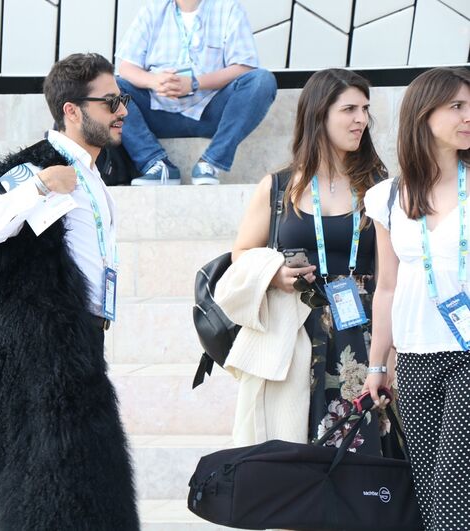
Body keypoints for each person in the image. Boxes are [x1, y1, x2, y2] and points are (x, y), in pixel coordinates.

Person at [0, 53, 139, 530]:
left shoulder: (96, 173)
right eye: (111, 101)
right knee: (48, 498)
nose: (122, 110)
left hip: (79, 348)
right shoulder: (34, 167)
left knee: (89, 494)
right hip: (39, 362)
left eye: (124, 99)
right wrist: (37, 186)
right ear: (72, 111)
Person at [228, 69, 400, 455]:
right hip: (296, 332)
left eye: (365, 110)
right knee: (295, 449)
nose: (361, 120)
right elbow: (241, 252)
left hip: (365, 331)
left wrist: (389, 352)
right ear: (319, 114)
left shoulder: (379, 185)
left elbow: (394, 273)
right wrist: (273, 273)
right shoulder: (278, 187)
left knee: (366, 452)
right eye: (350, 109)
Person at [363, 67, 470, 530]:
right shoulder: (386, 197)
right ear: (423, 115)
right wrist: (377, 364)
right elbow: (387, 285)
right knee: (427, 485)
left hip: (467, 354)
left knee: (450, 482)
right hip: (414, 355)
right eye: (458, 107)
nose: (469, 116)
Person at [115, 0, 276, 186]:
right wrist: (154, 81)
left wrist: (194, 83)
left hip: (210, 111)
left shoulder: (228, 8)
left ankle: (211, 162)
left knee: (261, 80)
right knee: (113, 88)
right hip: (157, 110)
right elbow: (126, 67)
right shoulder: (152, 10)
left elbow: (244, 67)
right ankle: (157, 165)